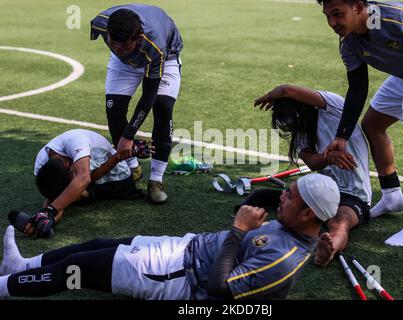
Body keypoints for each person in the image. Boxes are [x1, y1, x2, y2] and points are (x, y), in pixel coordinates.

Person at [0, 174, 339, 300]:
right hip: (183, 249)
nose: (282, 197)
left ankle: (5, 288)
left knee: (76, 269)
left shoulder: (283, 259)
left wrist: (239, 230)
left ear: (309, 213)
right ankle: (21, 265)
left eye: (290, 196)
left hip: (176, 276)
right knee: (93, 246)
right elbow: (262, 201)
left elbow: (219, 290)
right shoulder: (295, 225)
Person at [317, 0, 403, 246]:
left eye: (337, 14)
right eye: (328, 16)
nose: (332, 23)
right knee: (372, 125)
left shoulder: (396, 18)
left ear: (358, 7)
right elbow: (357, 88)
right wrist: (342, 136)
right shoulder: (349, 43)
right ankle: (391, 196)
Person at [254, 85, 372, 266]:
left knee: (340, 222)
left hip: (355, 194)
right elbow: (313, 162)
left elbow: (286, 90)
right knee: (261, 196)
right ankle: (245, 220)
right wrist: (328, 157)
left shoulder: (333, 107)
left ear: (301, 108)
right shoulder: (302, 131)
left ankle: (330, 247)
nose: (294, 128)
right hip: (321, 191)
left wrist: (271, 95)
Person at [90, 4, 183, 204]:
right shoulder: (100, 23)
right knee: (113, 110)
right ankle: (132, 169)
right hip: (124, 67)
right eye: (114, 45)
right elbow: (119, 48)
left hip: (165, 57)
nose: (119, 51)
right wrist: (120, 50)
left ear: (138, 38)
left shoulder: (154, 45)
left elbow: (148, 95)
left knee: (163, 106)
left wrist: (128, 135)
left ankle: (156, 180)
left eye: (124, 48)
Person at [9, 129, 146, 238]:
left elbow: (86, 179)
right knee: (63, 196)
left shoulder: (76, 141)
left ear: (68, 163)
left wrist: (49, 210)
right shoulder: (42, 163)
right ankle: (42, 224)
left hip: (116, 179)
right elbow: (56, 194)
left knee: (76, 191)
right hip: (88, 175)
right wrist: (48, 213)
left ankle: (42, 219)